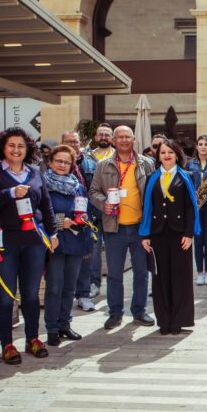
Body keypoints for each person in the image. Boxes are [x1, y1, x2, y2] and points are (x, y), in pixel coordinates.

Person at [0, 127, 58, 364]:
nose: (16, 150)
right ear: (2, 148)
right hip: (4, 242)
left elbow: (46, 206)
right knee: (6, 296)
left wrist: (53, 233)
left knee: (30, 295)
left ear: (28, 150)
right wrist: (9, 193)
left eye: (21, 146)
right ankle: (7, 344)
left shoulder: (35, 174)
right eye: (11, 146)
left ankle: (32, 338)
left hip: (34, 242)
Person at [89, 125, 156, 330]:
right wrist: (103, 203)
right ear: (114, 140)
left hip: (139, 229)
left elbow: (153, 194)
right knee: (115, 274)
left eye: (128, 137)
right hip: (114, 227)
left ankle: (139, 311)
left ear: (134, 139)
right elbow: (93, 192)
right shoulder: (103, 165)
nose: (124, 140)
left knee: (141, 273)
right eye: (120, 137)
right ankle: (115, 313)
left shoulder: (146, 163)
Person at [140, 140, 200, 335]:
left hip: (180, 234)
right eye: (163, 153)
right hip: (158, 234)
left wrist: (189, 233)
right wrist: (145, 234)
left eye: (170, 152)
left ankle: (179, 320)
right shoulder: (151, 178)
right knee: (160, 278)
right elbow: (147, 207)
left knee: (180, 278)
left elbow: (191, 207)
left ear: (177, 155)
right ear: (158, 156)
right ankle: (164, 321)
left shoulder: (187, 176)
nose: (166, 155)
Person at [43, 145, 90, 346]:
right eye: (59, 161)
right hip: (54, 242)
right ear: (51, 162)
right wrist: (62, 222)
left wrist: (85, 218)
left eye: (67, 162)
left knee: (70, 287)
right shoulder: (43, 184)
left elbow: (84, 209)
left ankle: (65, 324)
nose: (62, 165)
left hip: (75, 241)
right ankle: (52, 328)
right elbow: (39, 214)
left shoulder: (78, 186)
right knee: (54, 287)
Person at [60, 131, 98, 313]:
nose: (73, 145)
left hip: (85, 219)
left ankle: (83, 295)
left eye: (75, 142)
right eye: (69, 142)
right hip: (62, 222)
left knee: (85, 258)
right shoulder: (53, 166)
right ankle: (63, 299)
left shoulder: (90, 163)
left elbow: (96, 188)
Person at [88, 122, 115, 300]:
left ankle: (114, 285)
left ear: (111, 137)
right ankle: (94, 283)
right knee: (94, 250)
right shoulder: (87, 158)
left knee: (113, 250)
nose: (104, 137)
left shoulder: (118, 156)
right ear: (96, 137)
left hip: (114, 213)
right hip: (94, 212)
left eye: (107, 134)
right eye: (101, 134)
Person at [187, 134, 207, 286]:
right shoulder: (190, 164)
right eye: (201, 144)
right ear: (196, 146)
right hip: (195, 206)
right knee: (198, 240)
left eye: (206, 144)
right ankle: (199, 273)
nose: (203, 146)